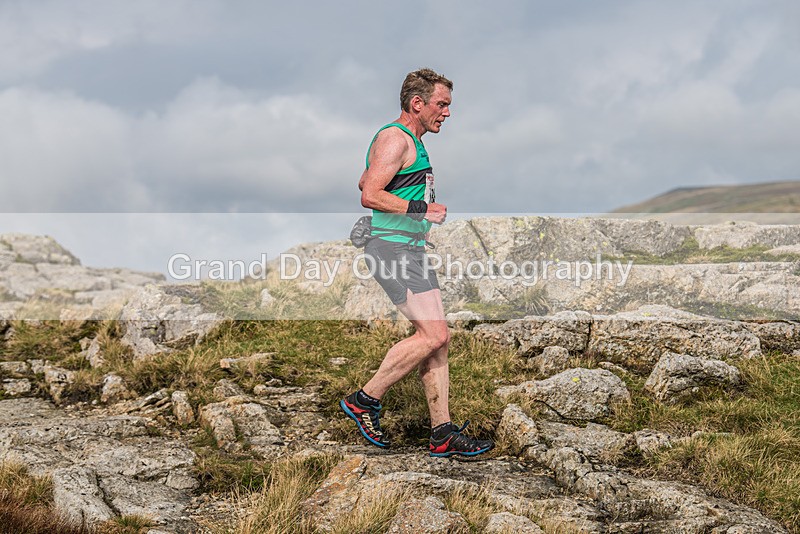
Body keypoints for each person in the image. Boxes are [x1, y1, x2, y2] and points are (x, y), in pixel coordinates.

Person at [340, 68, 493, 458]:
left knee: (439, 340)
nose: (447, 113)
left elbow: (365, 180)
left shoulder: (407, 142)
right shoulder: (396, 138)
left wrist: (398, 210)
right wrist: (419, 208)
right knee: (432, 336)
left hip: (409, 250)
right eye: (442, 105)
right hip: (392, 251)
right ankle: (364, 399)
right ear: (417, 103)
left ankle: (442, 431)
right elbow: (370, 194)